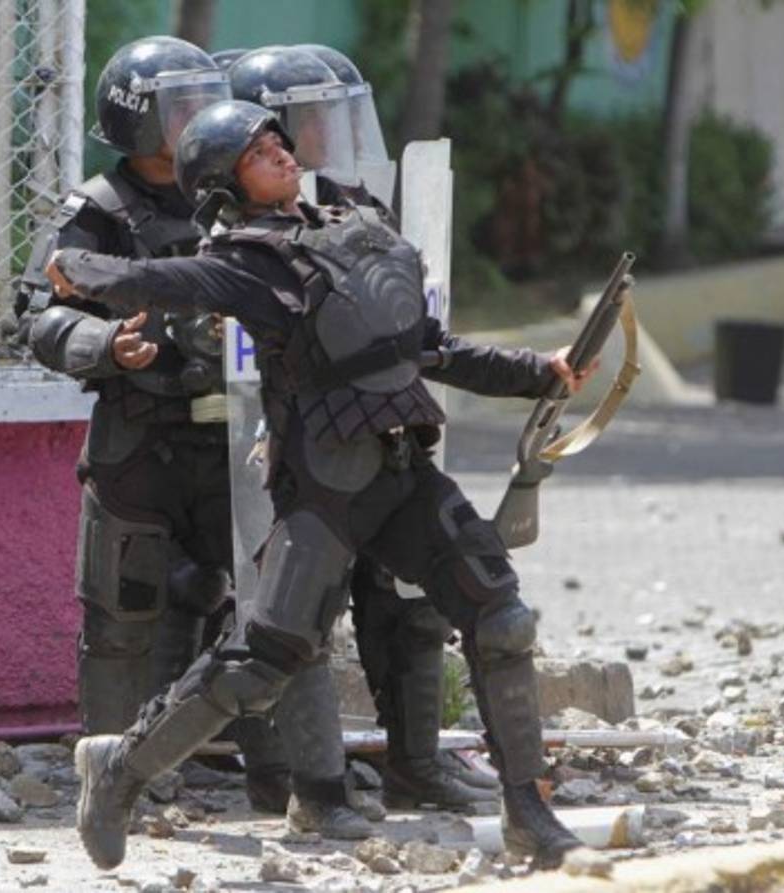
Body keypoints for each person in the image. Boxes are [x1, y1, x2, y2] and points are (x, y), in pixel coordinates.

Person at [53, 100, 594, 872]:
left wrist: (538, 372)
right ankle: (118, 769)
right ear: (222, 182)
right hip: (325, 488)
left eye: (276, 136)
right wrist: (81, 269)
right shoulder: (245, 261)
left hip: (403, 470)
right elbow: (157, 280)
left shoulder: (356, 227)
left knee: (500, 614)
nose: (276, 147)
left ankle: (530, 813)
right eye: (253, 148)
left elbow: (429, 351)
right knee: (259, 663)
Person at [19, 36, 290, 813]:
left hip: (239, 439)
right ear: (134, 121)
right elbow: (38, 316)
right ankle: (115, 777)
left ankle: (280, 771)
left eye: (204, 104)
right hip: (139, 436)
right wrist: (106, 344)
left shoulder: (242, 197)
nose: (195, 122)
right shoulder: (97, 212)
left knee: (267, 606)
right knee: (122, 609)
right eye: (177, 109)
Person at [226, 44, 493, 810]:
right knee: (285, 618)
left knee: (412, 594)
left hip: (371, 440)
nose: (322, 137)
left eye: (332, 118)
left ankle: (418, 762)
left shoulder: (351, 209)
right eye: (305, 122)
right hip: (268, 450)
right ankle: (294, 777)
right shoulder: (227, 221)